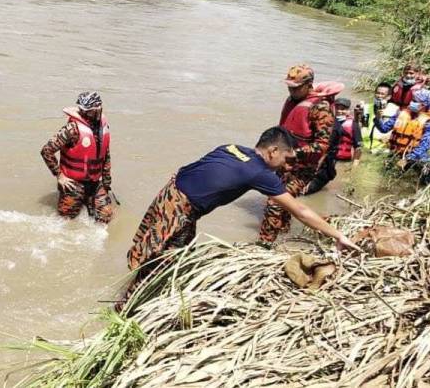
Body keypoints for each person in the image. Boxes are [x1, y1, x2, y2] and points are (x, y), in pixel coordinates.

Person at [123, 127, 360, 306]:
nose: (286, 167)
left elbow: (197, 171)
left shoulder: (230, 148)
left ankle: (147, 296)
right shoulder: (260, 172)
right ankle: (126, 309)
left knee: (162, 254)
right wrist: (338, 235)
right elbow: (300, 211)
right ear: (273, 151)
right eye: (286, 159)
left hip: (170, 193)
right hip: (180, 209)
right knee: (158, 265)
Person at [260, 65, 336, 242]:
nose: (291, 90)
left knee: (275, 202)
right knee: (281, 202)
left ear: (309, 84)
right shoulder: (292, 100)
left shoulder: (320, 108)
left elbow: (322, 145)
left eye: (295, 87)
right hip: (283, 163)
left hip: (303, 167)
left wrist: (295, 153)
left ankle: (264, 244)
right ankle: (283, 235)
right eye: (289, 86)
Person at [40, 91, 113, 223]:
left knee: (106, 216)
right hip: (73, 183)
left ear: (99, 109)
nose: (87, 114)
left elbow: (105, 155)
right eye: (85, 111)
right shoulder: (71, 129)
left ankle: (89, 200)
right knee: (66, 220)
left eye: (91, 111)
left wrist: (106, 184)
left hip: (95, 183)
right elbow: (46, 151)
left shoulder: (103, 127)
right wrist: (59, 176)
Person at [374, 88, 430, 183]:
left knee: (419, 184)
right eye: (412, 100)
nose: (411, 102)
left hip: (418, 160)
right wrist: (378, 118)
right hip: (397, 155)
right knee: (386, 180)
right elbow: (384, 128)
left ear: (424, 105)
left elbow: (425, 145)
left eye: (415, 101)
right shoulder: (401, 113)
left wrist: (407, 159)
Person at [303, 98, 363, 195]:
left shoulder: (353, 125)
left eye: (343, 109)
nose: (340, 111)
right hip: (331, 159)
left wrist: (354, 167)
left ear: (348, 110)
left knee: (340, 187)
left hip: (345, 162)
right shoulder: (327, 122)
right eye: (337, 108)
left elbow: (359, 147)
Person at [367, 82, 400, 153]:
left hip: (382, 148)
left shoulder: (395, 110)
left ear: (389, 97)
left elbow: (394, 129)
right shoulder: (366, 107)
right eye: (377, 93)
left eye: (382, 94)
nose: (379, 96)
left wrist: (379, 118)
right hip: (365, 146)